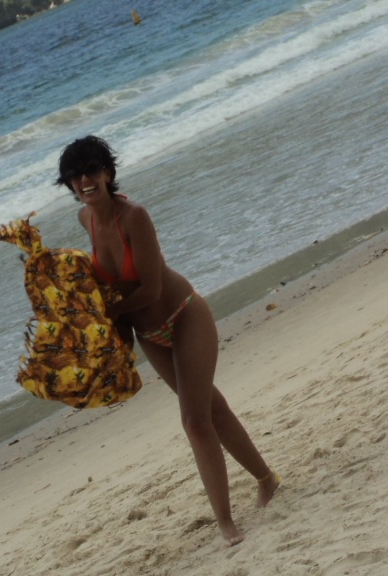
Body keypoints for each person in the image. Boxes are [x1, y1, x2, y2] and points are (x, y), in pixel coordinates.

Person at [55, 135, 280, 546]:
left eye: (91, 170)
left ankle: (226, 523)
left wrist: (107, 313)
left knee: (195, 421)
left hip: (184, 316)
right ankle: (267, 479)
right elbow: (109, 288)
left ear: (108, 173)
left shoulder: (134, 216)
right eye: (75, 175)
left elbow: (151, 290)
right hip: (149, 334)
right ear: (69, 184)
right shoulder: (86, 220)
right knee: (211, 410)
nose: (84, 180)